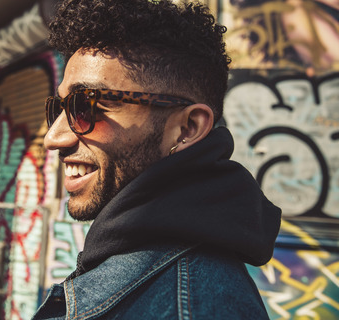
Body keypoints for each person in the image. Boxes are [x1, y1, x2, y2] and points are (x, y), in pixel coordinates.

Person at [34, 0, 281, 319]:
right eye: (61, 108)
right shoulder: (134, 263)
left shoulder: (195, 307)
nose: (54, 138)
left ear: (186, 129)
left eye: (87, 106)